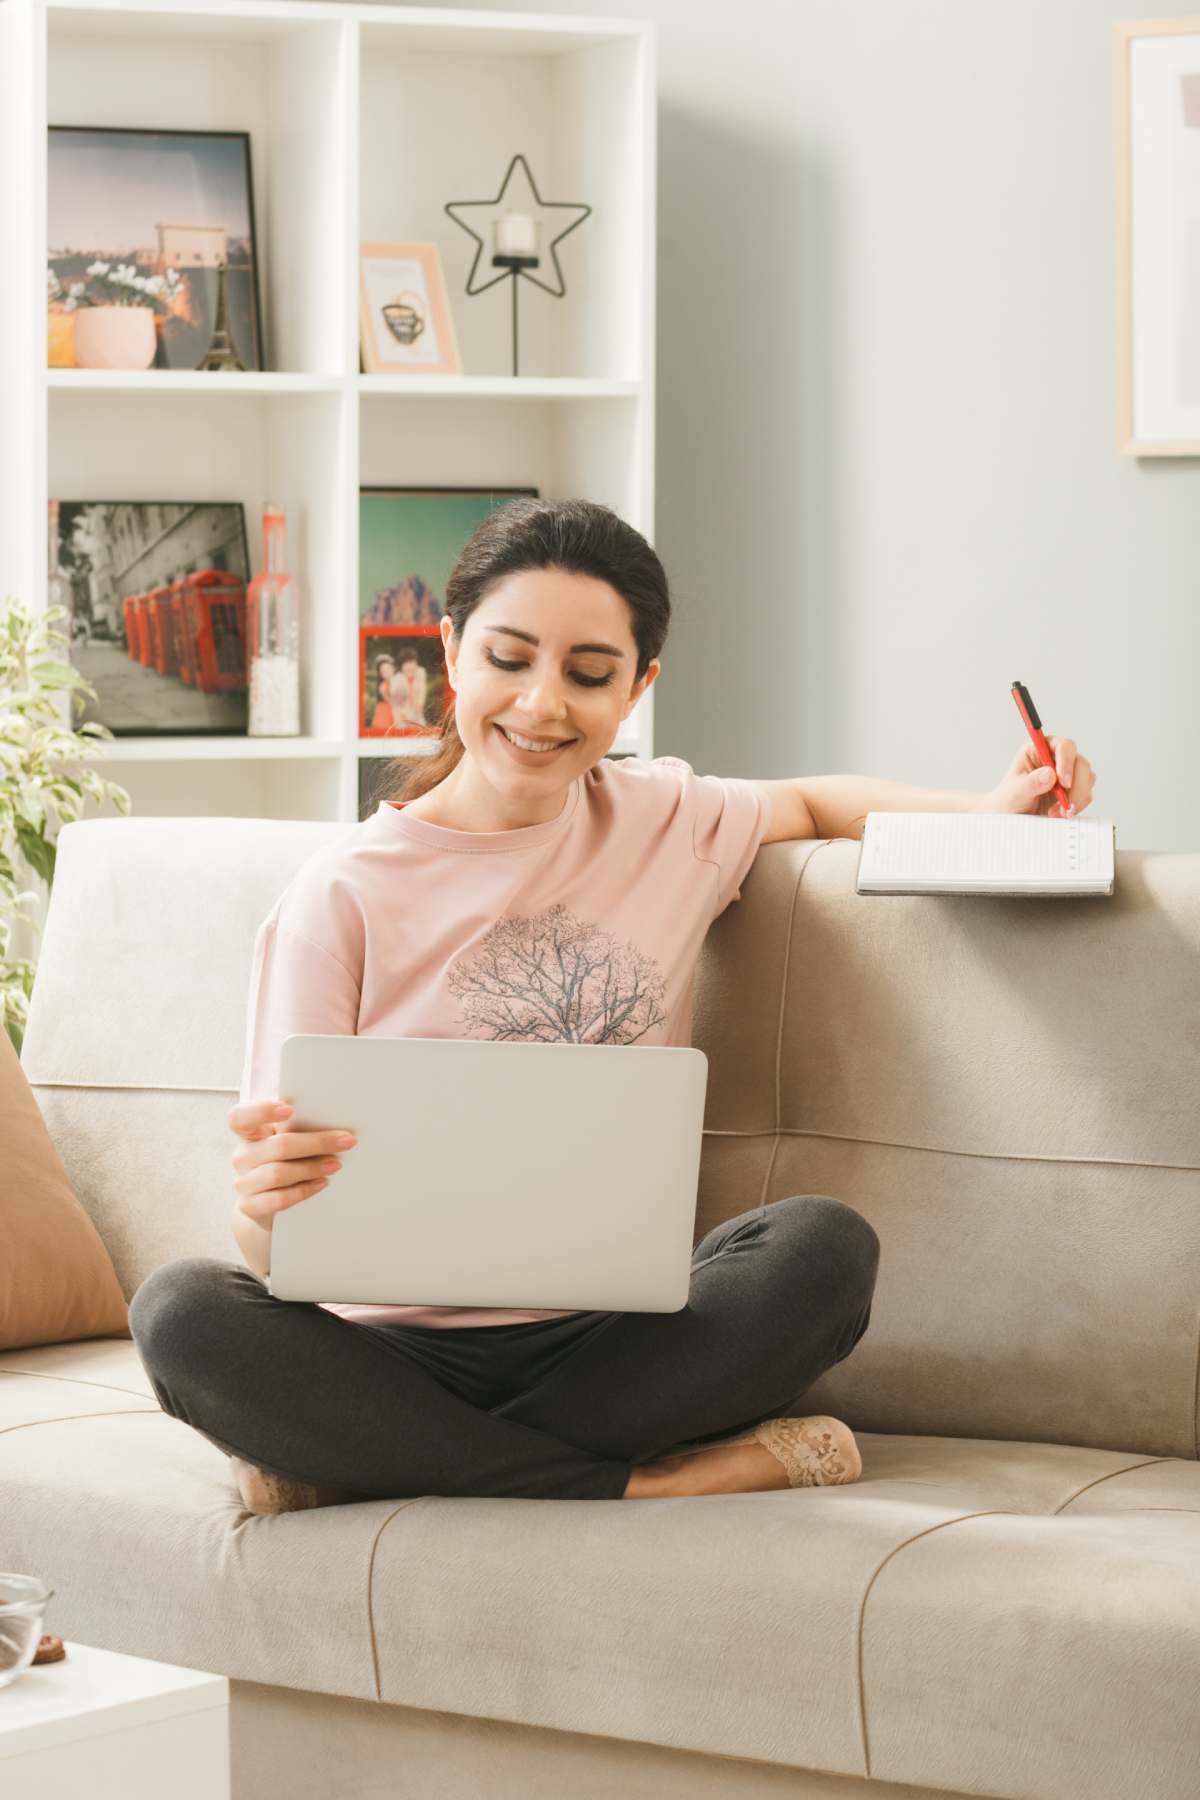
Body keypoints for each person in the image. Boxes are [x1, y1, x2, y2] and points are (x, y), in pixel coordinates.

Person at [127, 498, 1096, 1514]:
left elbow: (814, 803)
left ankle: (376, 1463)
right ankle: (642, 1480)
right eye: (508, 659)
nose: (543, 704)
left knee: (825, 1248)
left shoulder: (667, 819)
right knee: (183, 1312)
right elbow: (278, 1253)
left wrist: (990, 815)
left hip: (609, 1342)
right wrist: (263, 1213)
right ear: (450, 653)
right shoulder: (338, 899)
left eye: (589, 675)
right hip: (386, 1353)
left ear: (637, 689)